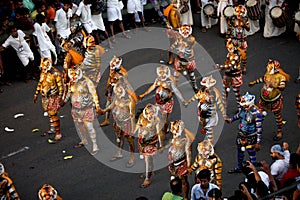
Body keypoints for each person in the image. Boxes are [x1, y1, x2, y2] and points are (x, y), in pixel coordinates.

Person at [139, 65, 186, 147]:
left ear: (167, 73)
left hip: (166, 103)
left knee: (164, 118)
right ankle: (156, 131)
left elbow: (176, 91)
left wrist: (183, 100)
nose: (163, 74)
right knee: (154, 114)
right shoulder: (158, 80)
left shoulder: (169, 83)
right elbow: (152, 87)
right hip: (158, 102)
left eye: (164, 72)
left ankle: (164, 131)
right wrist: (144, 94)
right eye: (161, 72)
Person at [63, 67, 101, 155]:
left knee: (89, 127)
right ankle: (84, 140)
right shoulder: (71, 82)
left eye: (75, 74)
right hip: (75, 109)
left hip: (86, 108)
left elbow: (94, 94)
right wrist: (64, 101)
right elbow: (69, 93)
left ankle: (95, 145)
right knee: (79, 125)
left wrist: (97, 105)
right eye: (71, 74)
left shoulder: (87, 82)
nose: (73, 76)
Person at [249, 59, 290, 140]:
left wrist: (274, 85)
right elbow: (262, 79)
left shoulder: (280, 77)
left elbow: (282, 86)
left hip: (274, 101)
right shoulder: (268, 73)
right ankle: (256, 129)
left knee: (277, 116)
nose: (267, 67)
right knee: (259, 114)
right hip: (264, 100)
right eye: (268, 66)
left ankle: (279, 131)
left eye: (269, 66)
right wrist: (253, 82)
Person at [100, 78, 136, 167]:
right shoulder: (116, 97)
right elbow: (112, 105)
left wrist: (134, 128)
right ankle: (119, 152)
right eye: (117, 91)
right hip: (117, 122)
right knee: (118, 138)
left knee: (129, 140)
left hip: (127, 124)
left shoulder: (130, 101)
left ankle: (132, 157)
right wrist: (104, 111)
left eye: (120, 91)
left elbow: (132, 116)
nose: (118, 93)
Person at [226, 92, 263, 173]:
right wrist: (231, 119)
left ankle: (253, 171)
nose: (243, 106)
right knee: (240, 151)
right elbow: (239, 115)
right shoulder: (243, 109)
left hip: (251, 136)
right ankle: (239, 167)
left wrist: (258, 142)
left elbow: (259, 129)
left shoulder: (257, 114)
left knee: (251, 153)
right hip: (241, 134)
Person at [184, 75, 226, 143]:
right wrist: (188, 102)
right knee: (206, 128)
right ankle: (207, 135)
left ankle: (210, 144)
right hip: (202, 113)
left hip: (210, 115)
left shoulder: (215, 93)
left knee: (209, 131)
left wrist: (224, 114)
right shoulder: (202, 91)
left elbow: (220, 104)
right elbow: (196, 96)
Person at [34, 58, 63, 143]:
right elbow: (40, 83)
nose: (43, 69)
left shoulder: (55, 74)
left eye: (44, 68)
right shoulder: (43, 73)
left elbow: (60, 87)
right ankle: (53, 128)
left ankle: (58, 133)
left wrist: (60, 97)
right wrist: (36, 94)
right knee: (49, 113)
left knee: (53, 114)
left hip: (53, 97)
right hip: (45, 97)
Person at [135, 104, 162, 188]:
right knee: (146, 160)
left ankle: (147, 178)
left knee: (148, 159)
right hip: (142, 142)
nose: (150, 114)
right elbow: (138, 126)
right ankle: (150, 171)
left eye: (152, 112)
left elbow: (159, 133)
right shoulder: (142, 118)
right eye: (149, 112)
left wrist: (160, 144)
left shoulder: (156, 120)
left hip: (151, 142)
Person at [215, 38, 246, 111]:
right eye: (228, 48)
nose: (229, 49)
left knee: (236, 93)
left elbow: (230, 65)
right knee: (224, 92)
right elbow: (227, 63)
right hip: (228, 74)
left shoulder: (236, 56)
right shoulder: (229, 54)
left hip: (235, 75)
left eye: (230, 47)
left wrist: (220, 67)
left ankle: (239, 108)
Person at [168, 120, 195, 200]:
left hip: (181, 163)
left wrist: (188, 166)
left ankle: (186, 197)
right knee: (175, 180)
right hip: (173, 163)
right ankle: (177, 193)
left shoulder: (186, 140)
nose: (174, 131)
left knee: (183, 181)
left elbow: (188, 153)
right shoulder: (174, 139)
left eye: (176, 129)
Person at [100, 56, 129, 127]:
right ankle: (107, 120)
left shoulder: (123, 72)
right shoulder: (112, 69)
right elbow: (109, 79)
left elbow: (125, 80)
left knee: (119, 105)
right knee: (108, 103)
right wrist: (107, 88)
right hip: (112, 88)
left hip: (119, 90)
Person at [169, 24, 198, 92]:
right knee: (176, 75)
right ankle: (174, 88)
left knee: (192, 75)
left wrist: (190, 50)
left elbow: (194, 44)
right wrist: (171, 48)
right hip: (180, 59)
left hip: (188, 60)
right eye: (183, 31)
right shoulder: (179, 39)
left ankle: (194, 85)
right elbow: (174, 44)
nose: (185, 32)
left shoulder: (191, 39)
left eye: (186, 31)